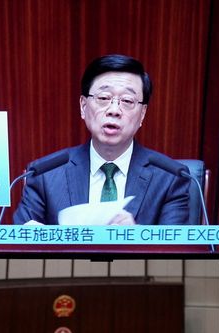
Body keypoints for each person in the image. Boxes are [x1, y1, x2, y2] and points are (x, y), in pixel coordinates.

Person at [13, 54, 190, 226]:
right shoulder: (45, 175)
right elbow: (18, 245)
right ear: (83, 106)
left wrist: (134, 239)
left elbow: (174, 252)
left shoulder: (171, 179)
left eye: (127, 100)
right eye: (104, 98)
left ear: (142, 114)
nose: (114, 110)